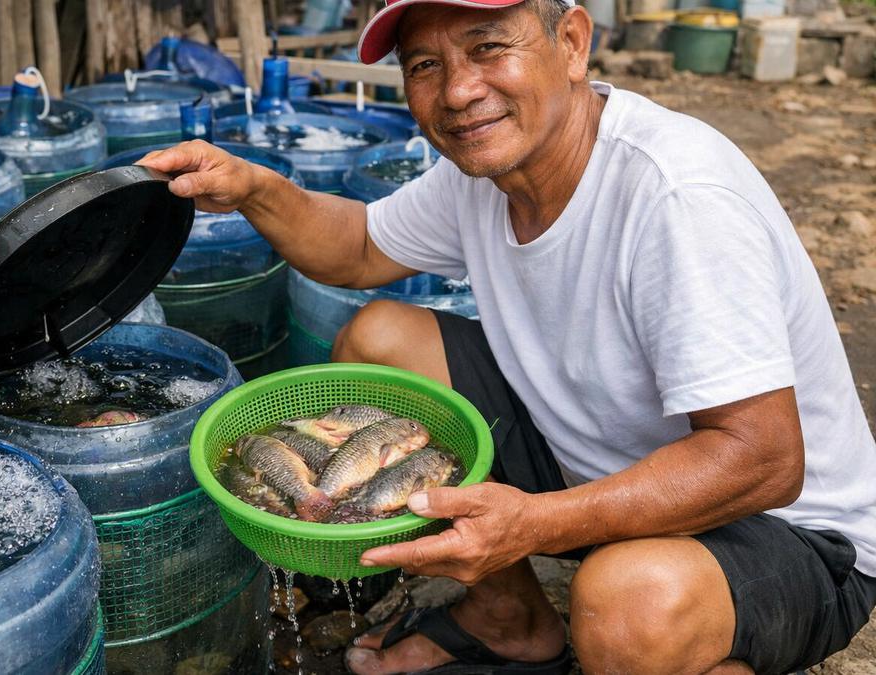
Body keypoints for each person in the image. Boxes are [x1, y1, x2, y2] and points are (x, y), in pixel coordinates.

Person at [136, 0, 876, 671]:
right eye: (425, 65)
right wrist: (255, 187)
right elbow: (357, 246)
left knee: (626, 607)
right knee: (381, 339)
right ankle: (509, 617)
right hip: (591, 456)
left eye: (490, 47)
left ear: (573, 43)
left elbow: (763, 460)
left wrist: (535, 524)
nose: (459, 91)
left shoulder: (676, 196)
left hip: (782, 526)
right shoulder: (483, 171)